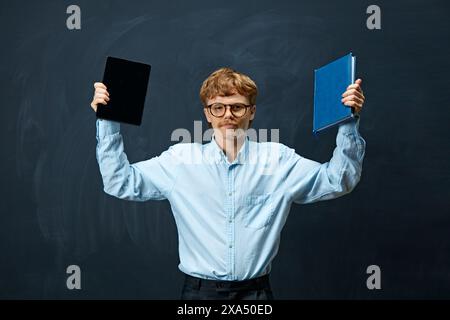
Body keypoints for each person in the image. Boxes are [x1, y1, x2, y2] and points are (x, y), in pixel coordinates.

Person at [91, 67, 366, 300]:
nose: (228, 115)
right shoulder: (180, 161)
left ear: (252, 112)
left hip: (256, 294)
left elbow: (338, 180)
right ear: (207, 114)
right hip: (199, 294)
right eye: (218, 108)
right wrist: (108, 119)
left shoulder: (278, 160)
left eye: (237, 107)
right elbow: (119, 182)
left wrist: (348, 121)